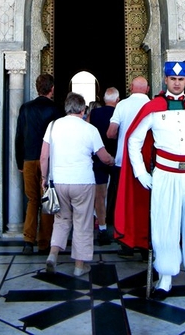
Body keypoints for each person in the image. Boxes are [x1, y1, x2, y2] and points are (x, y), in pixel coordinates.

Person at [114, 61, 185, 301]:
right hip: (165, 176)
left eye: (181, 79)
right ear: (165, 80)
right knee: (164, 226)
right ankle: (165, 278)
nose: (177, 83)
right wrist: (141, 174)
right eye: (173, 79)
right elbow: (133, 141)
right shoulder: (154, 108)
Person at [40, 92, 115, 276]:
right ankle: (79, 266)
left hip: (59, 180)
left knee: (61, 219)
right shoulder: (89, 129)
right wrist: (112, 161)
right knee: (82, 222)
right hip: (82, 182)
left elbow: (44, 156)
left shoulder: (53, 126)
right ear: (82, 110)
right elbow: (103, 156)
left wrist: (44, 178)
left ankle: (53, 255)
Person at [15, 73, 63, 255]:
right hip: (48, 162)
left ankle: (28, 240)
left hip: (28, 159)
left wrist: (20, 161)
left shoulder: (25, 109)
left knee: (32, 200)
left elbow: (19, 136)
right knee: (46, 199)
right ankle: (44, 243)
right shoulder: (56, 110)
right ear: (52, 89)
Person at [106, 76, 149, 257]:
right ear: (147, 90)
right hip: (147, 163)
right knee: (145, 205)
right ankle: (146, 245)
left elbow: (111, 132)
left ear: (131, 88)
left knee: (124, 203)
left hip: (123, 162)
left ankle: (126, 244)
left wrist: (120, 138)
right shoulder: (153, 105)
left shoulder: (122, 105)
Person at [89, 87, 119, 245]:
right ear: (117, 100)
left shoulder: (94, 114)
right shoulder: (120, 112)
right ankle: (120, 229)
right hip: (117, 159)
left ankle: (102, 228)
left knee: (99, 195)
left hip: (98, 159)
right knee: (120, 193)